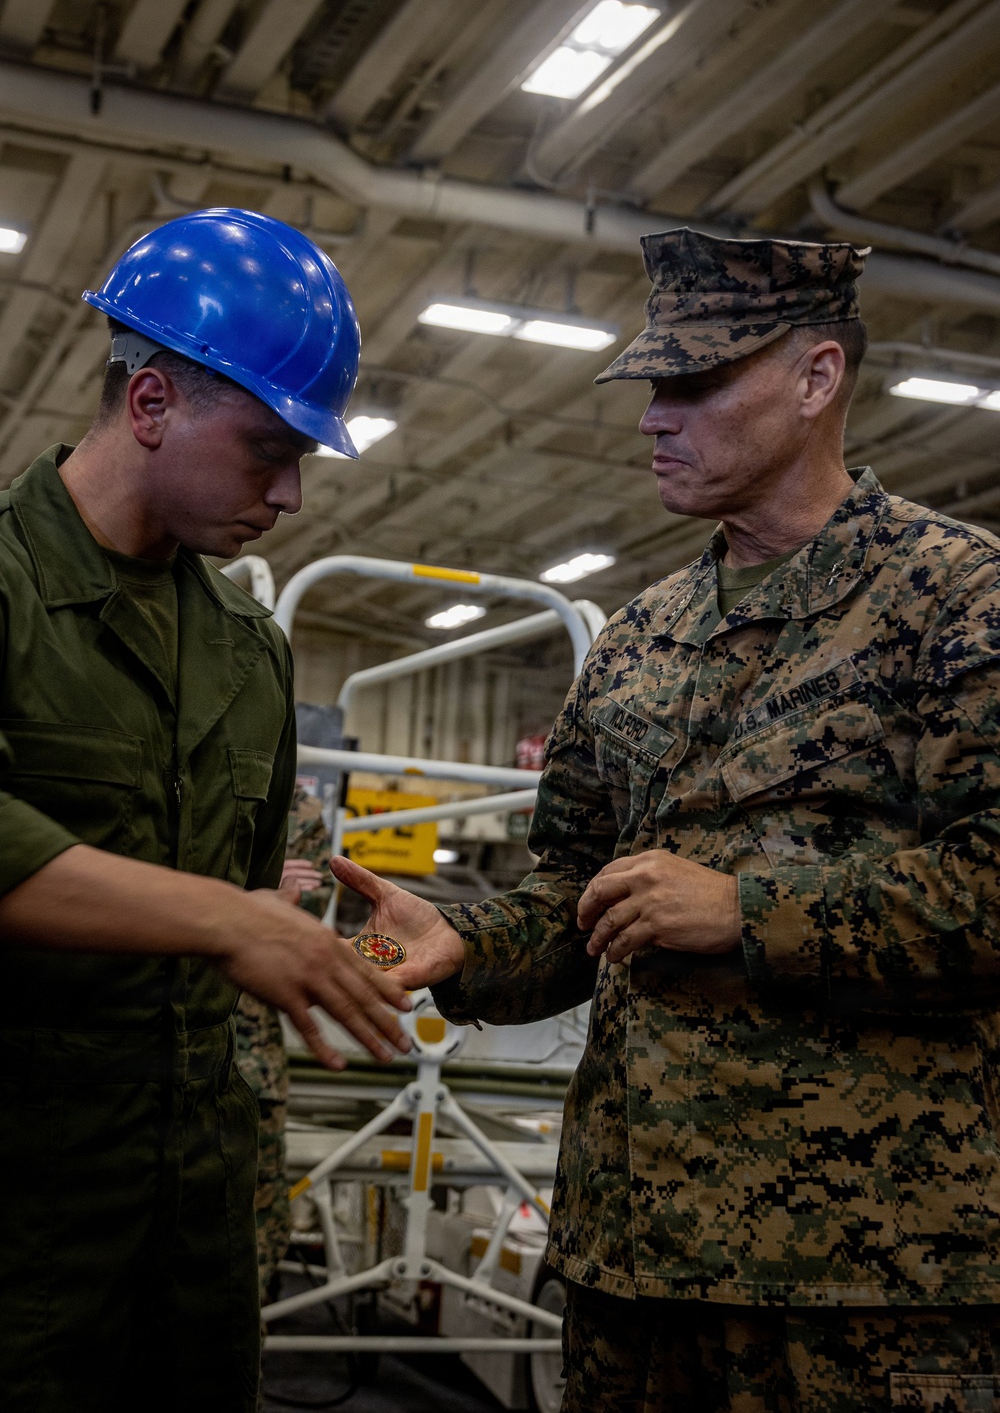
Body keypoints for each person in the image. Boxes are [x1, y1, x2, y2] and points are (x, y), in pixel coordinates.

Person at [335, 230, 1000, 1410]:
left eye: (694, 383)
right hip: (629, 1265)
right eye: (654, 386)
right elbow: (575, 898)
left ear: (816, 379)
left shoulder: (956, 599)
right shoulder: (639, 639)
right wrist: (466, 945)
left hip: (861, 1289)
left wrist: (749, 914)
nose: (655, 417)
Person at [0, 208, 412, 1413]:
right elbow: (223, 915)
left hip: (191, 1225)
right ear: (150, 407)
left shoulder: (246, 651)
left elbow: (246, 907)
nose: (289, 496)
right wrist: (228, 922)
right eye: (267, 451)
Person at [237, 783, 333, 1308]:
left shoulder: (286, 796)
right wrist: (252, 892)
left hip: (249, 1062)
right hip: (126, 1043)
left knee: (249, 1250)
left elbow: (305, 900)